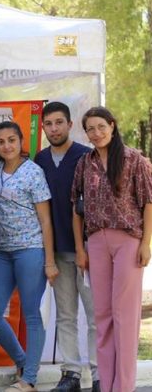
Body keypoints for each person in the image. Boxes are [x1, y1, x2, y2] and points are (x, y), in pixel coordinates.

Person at [71, 106, 152, 392]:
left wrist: (146, 243)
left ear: (112, 126)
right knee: (102, 315)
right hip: (95, 241)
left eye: (101, 127)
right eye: (90, 129)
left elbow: (148, 201)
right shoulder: (84, 163)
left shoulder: (134, 159)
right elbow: (76, 209)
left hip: (128, 240)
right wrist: (81, 250)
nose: (96, 133)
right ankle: (107, 385)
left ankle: (124, 387)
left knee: (125, 316)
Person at [0, 121, 58, 392]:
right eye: (1, 142)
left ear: (21, 140)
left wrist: (49, 261)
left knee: (31, 314)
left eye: (11, 140)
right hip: (4, 251)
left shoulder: (33, 172)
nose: (6, 146)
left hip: (31, 250)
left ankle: (29, 380)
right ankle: (23, 361)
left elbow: (46, 220)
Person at [34, 102, 98, 392]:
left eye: (59, 122)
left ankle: (99, 373)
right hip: (57, 248)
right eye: (49, 124)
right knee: (66, 314)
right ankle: (70, 372)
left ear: (70, 124)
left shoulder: (87, 156)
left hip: (88, 249)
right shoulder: (40, 159)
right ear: (43, 127)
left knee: (95, 314)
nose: (54, 128)